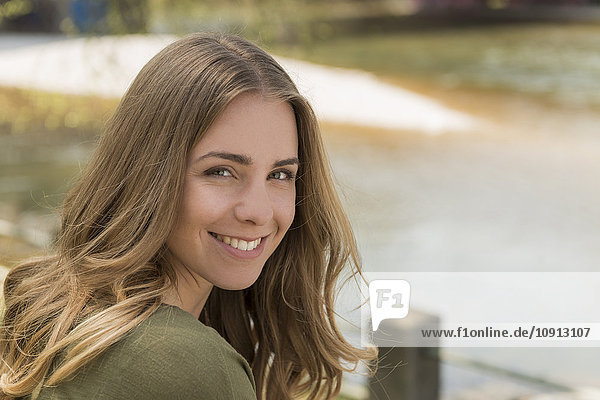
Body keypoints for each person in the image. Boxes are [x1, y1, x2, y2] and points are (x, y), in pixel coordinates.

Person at [0, 32, 376, 400]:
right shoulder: (188, 365)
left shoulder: (53, 307)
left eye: (280, 175)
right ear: (149, 175)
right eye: (221, 172)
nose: (259, 212)